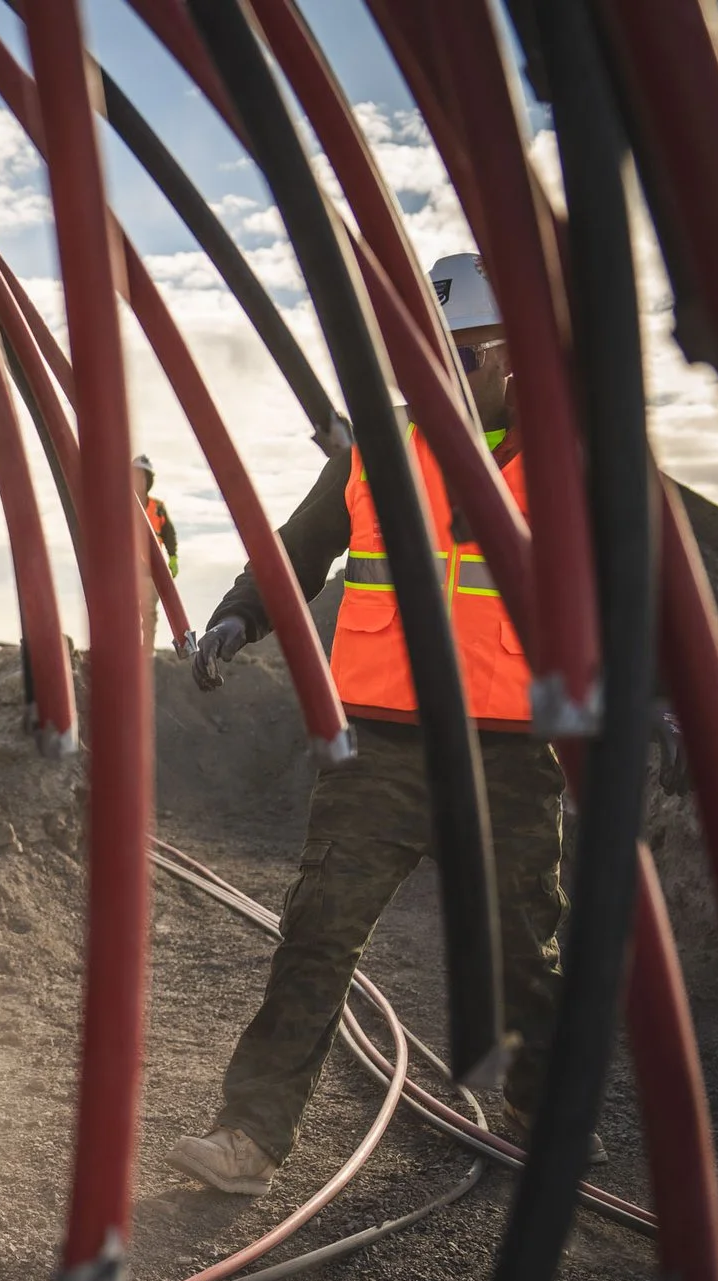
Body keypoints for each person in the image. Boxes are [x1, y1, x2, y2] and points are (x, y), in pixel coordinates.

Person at [169, 253, 588, 1197]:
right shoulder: (377, 451)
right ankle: (249, 1136)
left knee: (526, 942)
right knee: (317, 933)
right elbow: (298, 552)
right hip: (381, 749)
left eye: (461, 354)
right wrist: (238, 616)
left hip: (509, 752)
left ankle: (538, 1106)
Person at [134, 455, 177, 649]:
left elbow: (169, 534)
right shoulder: (121, 507)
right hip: (127, 570)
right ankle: (128, 652)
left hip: (151, 571)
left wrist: (173, 557)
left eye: (143, 477)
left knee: (149, 613)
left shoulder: (158, 508)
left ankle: (147, 654)